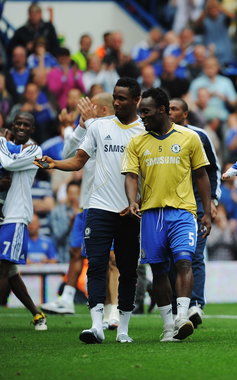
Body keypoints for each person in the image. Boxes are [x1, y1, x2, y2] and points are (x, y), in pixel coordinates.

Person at [35, 78, 144, 344]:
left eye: (123, 98)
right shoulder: (98, 126)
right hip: (98, 208)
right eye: (115, 97)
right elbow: (79, 159)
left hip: (131, 211)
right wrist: (56, 164)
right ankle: (96, 325)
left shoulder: (145, 131)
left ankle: (123, 329)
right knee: (95, 265)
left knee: (128, 269)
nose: (117, 102)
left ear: (137, 101)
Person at [123, 87, 212, 342]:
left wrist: (205, 212)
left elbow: (202, 175)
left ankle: (182, 316)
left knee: (184, 261)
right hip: (151, 215)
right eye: (141, 112)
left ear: (162, 110)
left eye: (146, 112)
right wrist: (132, 201)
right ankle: (168, 327)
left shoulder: (189, 137)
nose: (142, 117)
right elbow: (130, 175)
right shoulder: (137, 142)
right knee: (159, 271)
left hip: (183, 212)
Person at [41, 93, 114, 315]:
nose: (85, 110)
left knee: (108, 259)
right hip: (86, 203)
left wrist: (86, 125)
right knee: (76, 252)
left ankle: (112, 307)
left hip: (107, 205)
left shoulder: (113, 131)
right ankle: (67, 299)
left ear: (102, 110)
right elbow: (67, 154)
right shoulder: (90, 129)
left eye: (91, 106)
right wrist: (80, 127)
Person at [168, 97, 221, 327]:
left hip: (197, 204)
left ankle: (195, 304)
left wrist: (213, 200)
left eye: (174, 109)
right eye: (167, 108)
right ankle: (176, 305)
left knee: (195, 255)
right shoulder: (155, 136)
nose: (169, 112)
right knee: (171, 259)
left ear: (185, 114)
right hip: (168, 205)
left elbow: (212, 170)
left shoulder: (199, 136)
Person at [0, 112, 47, 331]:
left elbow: (9, 163)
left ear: (32, 130)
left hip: (16, 216)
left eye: (26, 124)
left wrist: (1, 141)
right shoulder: (7, 145)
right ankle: (37, 314)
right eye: (17, 123)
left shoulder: (35, 151)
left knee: (2, 267)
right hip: (3, 213)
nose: (21, 126)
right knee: (9, 273)